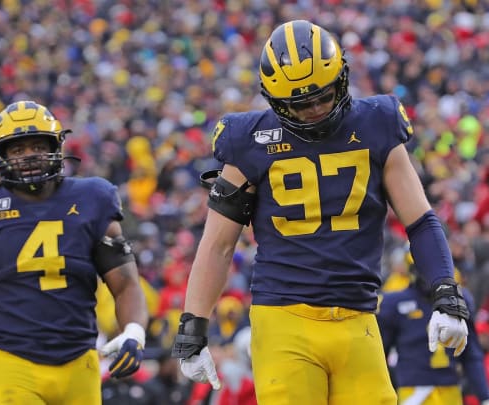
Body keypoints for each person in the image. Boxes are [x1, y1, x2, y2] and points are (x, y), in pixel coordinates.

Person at [171, 20, 470, 404]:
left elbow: (421, 220)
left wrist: (446, 292)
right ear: (275, 102)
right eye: (299, 104)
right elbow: (218, 244)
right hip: (283, 318)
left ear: (341, 79)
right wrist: (192, 326)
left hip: (358, 317)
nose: (314, 109)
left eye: (323, 96)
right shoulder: (250, 141)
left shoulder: (377, 124)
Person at [0, 101, 148, 405]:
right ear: (1, 156)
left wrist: (133, 330)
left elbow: (126, 283)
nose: (29, 156)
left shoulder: (93, 198)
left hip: (80, 360)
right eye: (17, 149)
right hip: (13, 363)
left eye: (38, 145)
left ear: (56, 147)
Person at [377, 255, 489, 405]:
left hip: (450, 388)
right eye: (423, 269)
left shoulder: (459, 299)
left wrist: (485, 396)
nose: (429, 275)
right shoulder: (395, 302)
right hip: (412, 390)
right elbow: (381, 353)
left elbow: (471, 353)